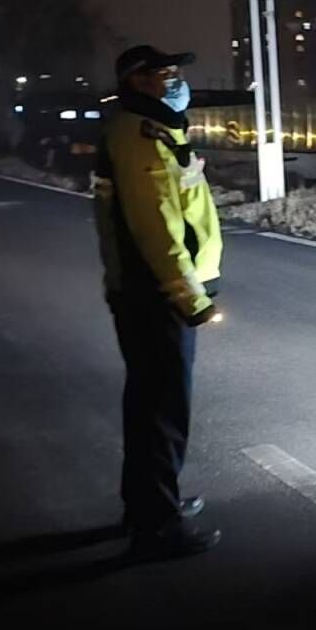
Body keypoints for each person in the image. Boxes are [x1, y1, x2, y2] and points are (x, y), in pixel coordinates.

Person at [92, 45, 223, 558]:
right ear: (136, 80)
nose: (176, 81)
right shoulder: (139, 134)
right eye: (164, 73)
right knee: (163, 409)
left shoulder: (154, 129)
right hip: (155, 294)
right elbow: (156, 226)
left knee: (150, 403)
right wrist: (189, 297)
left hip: (149, 291)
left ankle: (148, 502)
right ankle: (157, 525)